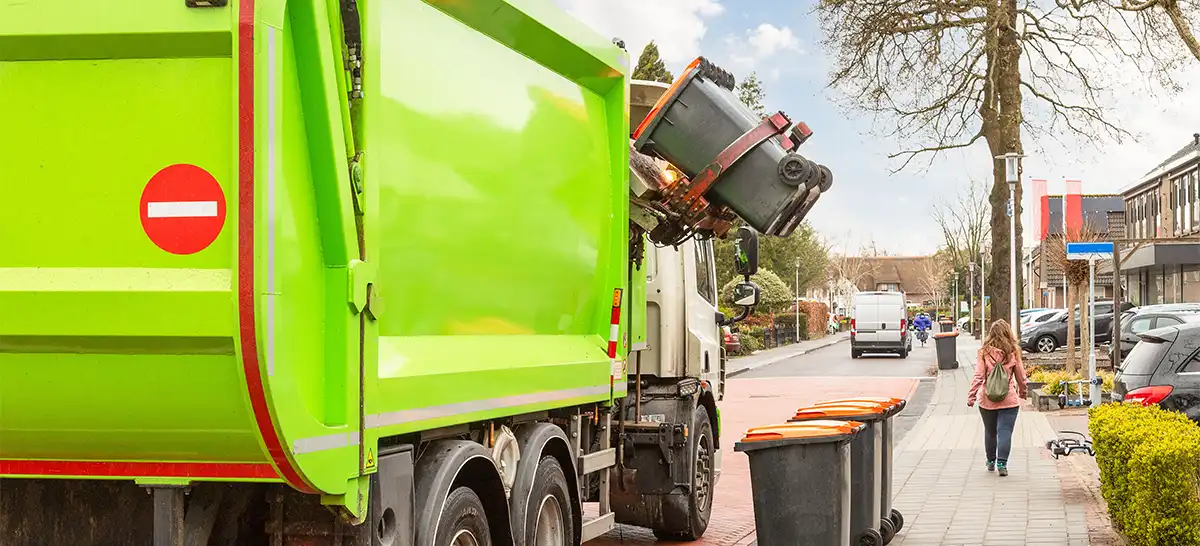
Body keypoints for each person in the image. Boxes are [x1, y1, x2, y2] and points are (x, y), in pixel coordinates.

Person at [966, 320, 1029, 476]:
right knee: (1005, 431)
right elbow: (1021, 375)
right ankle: (1002, 463)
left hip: (987, 399)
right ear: (1008, 333)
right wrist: (1023, 392)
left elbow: (979, 375)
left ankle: (990, 461)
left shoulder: (984, 352)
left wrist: (972, 395)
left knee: (990, 431)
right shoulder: (1014, 351)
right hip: (1009, 399)